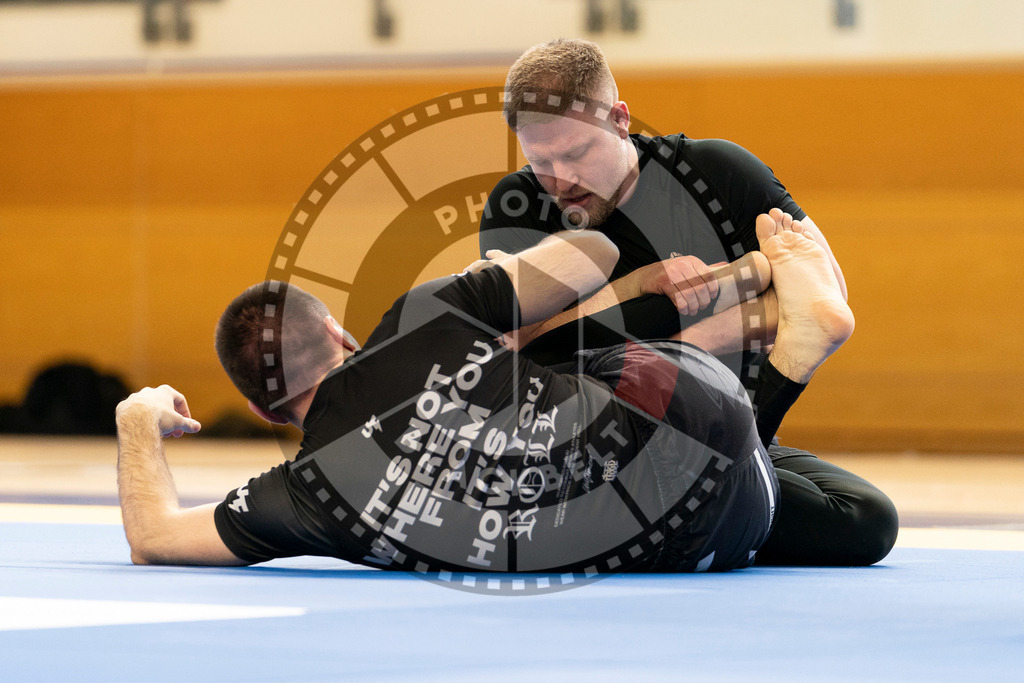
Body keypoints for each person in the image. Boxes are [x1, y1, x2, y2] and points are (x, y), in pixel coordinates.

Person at [113, 227, 814, 573]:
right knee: (539, 346)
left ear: (267, 411)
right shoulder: (417, 313)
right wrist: (495, 276)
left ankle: (775, 338)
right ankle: (750, 317)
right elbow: (595, 253)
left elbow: (153, 537)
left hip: (720, 534)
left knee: (523, 364)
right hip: (701, 401)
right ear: (338, 331)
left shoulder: (301, 498)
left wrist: (136, 419)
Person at [479, 38, 898, 566]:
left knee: (866, 519)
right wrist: (738, 314)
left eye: (577, 153)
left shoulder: (719, 171)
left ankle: (699, 507)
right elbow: (536, 353)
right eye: (542, 161)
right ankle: (773, 343)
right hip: (601, 453)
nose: (561, 179)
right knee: (581, 356)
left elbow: (823, 284)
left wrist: (665, 329)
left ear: (619, 119)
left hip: (733, 425)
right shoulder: (516, 206)